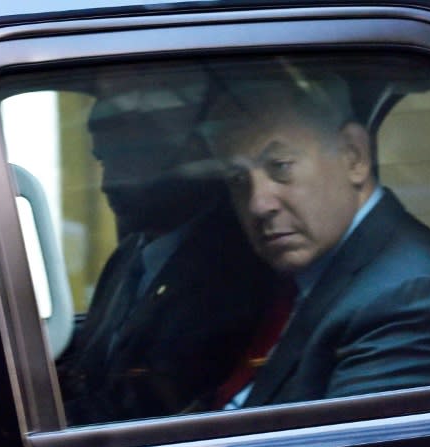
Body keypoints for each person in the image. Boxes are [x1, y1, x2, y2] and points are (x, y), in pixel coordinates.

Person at [201, 61, 430, 408]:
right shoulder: (299, 277)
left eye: (280, 166)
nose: (258, 204)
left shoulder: (408, 300)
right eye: (238, 180)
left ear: (354, 156)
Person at [57, 78, 273, 424]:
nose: (107, 183)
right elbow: (92, 371)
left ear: (185, 158)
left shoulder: (229, 272)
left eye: (125, 163)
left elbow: (146, 412)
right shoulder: (130, 255)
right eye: (102, 162)